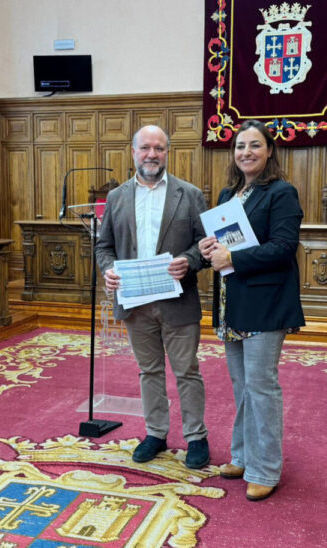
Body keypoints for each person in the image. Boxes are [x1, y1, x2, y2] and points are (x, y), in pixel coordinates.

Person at [198, 120, 305, 501]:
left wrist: (233, 256)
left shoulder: (282, 192)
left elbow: (283, 247)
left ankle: (266, 469)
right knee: (242, 387)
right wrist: (210, 249)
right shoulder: (230, 193)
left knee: (262, 387)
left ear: (269, 150)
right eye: (240, 145)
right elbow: (228, 244)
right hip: (233, 302)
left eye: (255, 145)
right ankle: (243, 455)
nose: (246, 152)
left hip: (266, 303)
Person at [95, 125, 210, 469]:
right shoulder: (116, 198)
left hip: (178, 300)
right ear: (133, 152)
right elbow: (104, 246)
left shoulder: (189, 195)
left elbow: (205, 247)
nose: (152, 154)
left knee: (187, 371)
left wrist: (189, 261)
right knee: (149, 371)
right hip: (135, 302)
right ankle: (156, 433)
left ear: (167, 153)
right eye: (145, 148)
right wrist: (108, 270)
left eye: (159, 148)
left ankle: (196, 437)